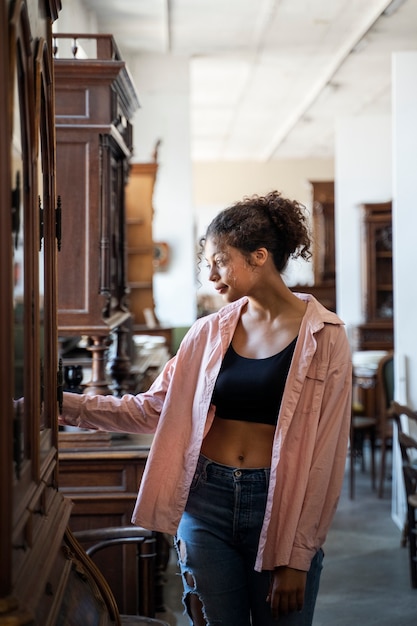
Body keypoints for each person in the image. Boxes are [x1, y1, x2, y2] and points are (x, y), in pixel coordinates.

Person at [60, 190, 352, 626]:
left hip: (278, 504)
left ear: (259, 256)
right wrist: (62, 406)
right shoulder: (206, 333)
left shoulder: (326, 337)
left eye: (220, 260)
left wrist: (298, 555)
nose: (210, 275)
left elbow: (326, 456)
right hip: (206, 500)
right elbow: (152, 409)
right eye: (206, 263)